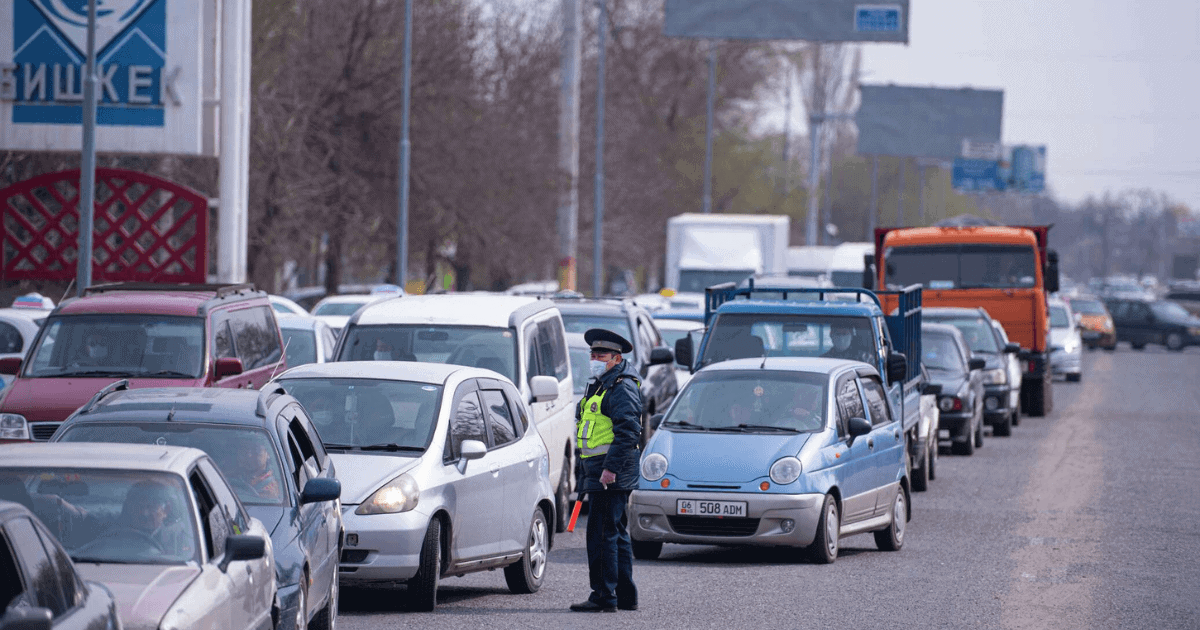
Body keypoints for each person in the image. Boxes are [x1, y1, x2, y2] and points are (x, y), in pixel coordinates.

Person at [570, 328, 642, 613]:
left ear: (616, 358)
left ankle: (603, 595)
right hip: (600, 469)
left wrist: (610, 469)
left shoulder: (620, 386)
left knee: (602, 535)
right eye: (593, 354)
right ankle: (624, 595)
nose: (595, 358)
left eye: (601, 355)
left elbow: (628, 432)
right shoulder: (601, 383)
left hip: (609, 472)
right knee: (616, 533)